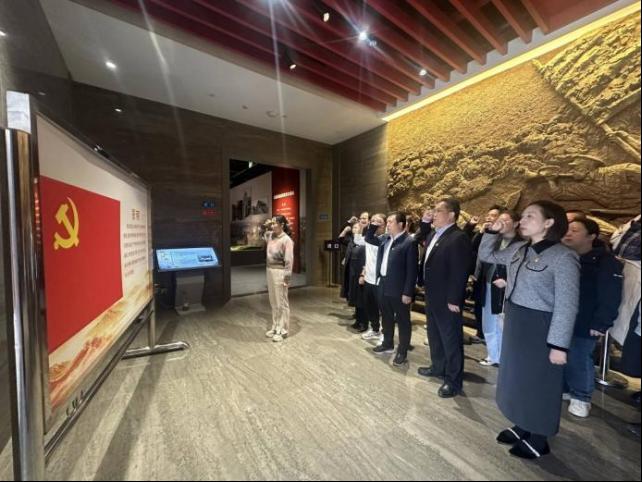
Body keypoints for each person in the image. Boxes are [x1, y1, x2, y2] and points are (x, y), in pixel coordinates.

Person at [479, 200, 580, 460]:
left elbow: (567, 304)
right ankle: (522, 424)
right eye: (522, 216)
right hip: (517, 321)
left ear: (549, 223)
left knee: (540, 383)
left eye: (530, 217)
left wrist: (558, 345)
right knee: (517, 378)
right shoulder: (519, 249)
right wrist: (492, 231)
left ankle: (539, 437)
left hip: (541, 327)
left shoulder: (563, 257)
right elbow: (487, 255)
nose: (522, 221)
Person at [562, 219, 623, 418]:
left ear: (591, 236)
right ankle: (564, 389)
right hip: (563, 317)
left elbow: (610, 293)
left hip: (586, 320)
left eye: (575, 230)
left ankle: (581, 396)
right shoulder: (564, 256)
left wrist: (602, 321)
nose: (568, 233)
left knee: (579, 356)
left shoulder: (605, 261)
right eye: (567, 230)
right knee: (562, 355)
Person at [416, 199, 473, 398]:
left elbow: (460, 271)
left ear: (451, 215)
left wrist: (454, 299)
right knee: (435, 335)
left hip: (448, 299)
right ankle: (438, 366)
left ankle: (453, 381)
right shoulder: (434, 234)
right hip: (432, 295)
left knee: (451, 340)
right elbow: (419, 241)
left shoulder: (458, 237)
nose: (434, 214)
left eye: (438, 211)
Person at [365, 212, 418, 367]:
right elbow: (369, 238)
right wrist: (373, 225)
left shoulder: (409, 242)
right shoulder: (385, 239)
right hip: (383, 284)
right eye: (386, 222)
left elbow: (412, 270)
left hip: (399, 288)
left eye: (390, 222)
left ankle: (402, 351)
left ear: (401, 224)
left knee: (403, 320)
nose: (387, 225)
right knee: (386, 317)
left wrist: (408, 292)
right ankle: (388, 343)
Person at [474, 210, 521, 367]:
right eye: (499, 220)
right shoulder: (494, 239)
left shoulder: (521, 244)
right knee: (488, 321)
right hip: (488, 283)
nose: (501, 223)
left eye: (506, 221)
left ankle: (502, 356)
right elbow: (482, 255)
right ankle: (493, 354)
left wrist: (508, 280)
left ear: (516, 223)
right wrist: (491, 232)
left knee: (501, 322)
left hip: (505, 288)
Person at [465, 205, 504, 344]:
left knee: (489, 308)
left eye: (493, 215)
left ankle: (490, 337)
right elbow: (472, 247)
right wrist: (482, 232)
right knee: (478, 305)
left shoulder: (501, 235)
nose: (489, 218)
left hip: (493, 276)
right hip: (479, 274)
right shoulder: (484, 232)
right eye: (489, 215)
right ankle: (480, 333)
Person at [263, 215, 295, 343]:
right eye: (272, 223)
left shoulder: (286, 240)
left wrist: (287, 277)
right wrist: (267, 225)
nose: (272, 225)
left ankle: (283, 330)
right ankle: (276, 326)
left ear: (282, 225)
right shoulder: (271, 236)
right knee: (273, 301)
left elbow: (289, 261)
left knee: (281, 301)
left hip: (280, 272)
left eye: (275, 223)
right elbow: (264, 234)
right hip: (269, 270)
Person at [359, 213, 387, 341]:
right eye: (373, 221)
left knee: (384, 309)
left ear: (384, 225)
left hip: (379, 280)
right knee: (370, 307)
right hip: (368, 278)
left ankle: (386, 334)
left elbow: (369, 238)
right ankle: (375, 329)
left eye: (378, 221)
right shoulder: (370, 238)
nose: (375, 223)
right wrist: (363, 273)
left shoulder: (385, 239)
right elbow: (368, 257)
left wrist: (371, 228)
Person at [348, 214, 370, 331]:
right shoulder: (359, 237)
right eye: (361, 218)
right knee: (356, 298)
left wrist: (363, 273)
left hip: (363, 272)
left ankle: (364, 323)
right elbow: (356, 239)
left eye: (365, 218)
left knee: (362, 299)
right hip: (354, 272)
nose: (362, 220)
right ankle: (358, 320)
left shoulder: (370, 236)